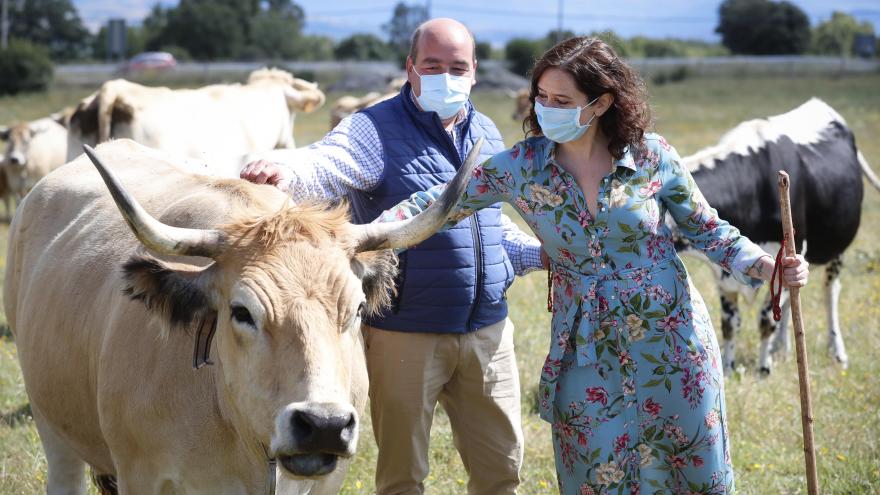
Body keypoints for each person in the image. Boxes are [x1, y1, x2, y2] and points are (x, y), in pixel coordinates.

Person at [378, 36, 809, 494]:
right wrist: (363, 236)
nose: (547, 109)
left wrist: (768, 265)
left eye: (562, 100)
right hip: (583, 347)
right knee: (595, 472)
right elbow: (440, 203)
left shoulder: (651, 156)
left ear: (601, 102)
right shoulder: (520, 167)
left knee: (688, 471)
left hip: (672, 343)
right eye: (541, 97)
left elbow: (707, 228)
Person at [241, 18, 541, 495]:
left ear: (475, 71)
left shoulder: (485, 131)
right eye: (433, 65)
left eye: (457, 67)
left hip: (488, 331)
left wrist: (539, 254)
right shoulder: (375, 128)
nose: (446, 76)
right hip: (406, 337)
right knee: (404, 476)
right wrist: (282, 168)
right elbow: (325, 162)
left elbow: (489, 227)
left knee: (502, 470)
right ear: (410, 67)